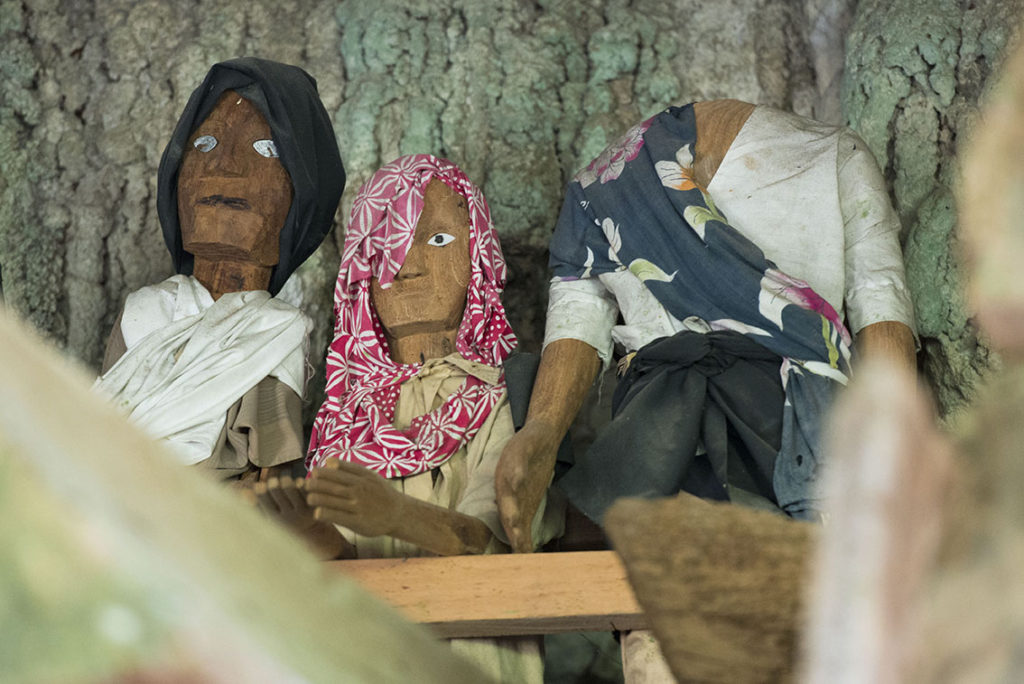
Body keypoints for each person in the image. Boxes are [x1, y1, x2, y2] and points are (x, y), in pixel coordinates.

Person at [494, 100, 916, 681]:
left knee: (821, 635)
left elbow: (881, 302)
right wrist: (540, 431)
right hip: (663, 447)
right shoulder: (605, 186)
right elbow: (574, 321)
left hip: (804, 437)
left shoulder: (832, 154)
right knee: (663, 642)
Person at [260, 154, 559, 683]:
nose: (408, 266)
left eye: (438, 240)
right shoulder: (342, 414)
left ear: (479, 260)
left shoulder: (505, 396)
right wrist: (309, 533)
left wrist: (397, 516)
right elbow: (346, 572)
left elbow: (495, 540)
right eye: (385, 248)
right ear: (361, 276)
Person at [94, 58, 345, 481]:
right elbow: (96, 443)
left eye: (266, 150)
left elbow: (274, 484)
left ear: (303, 198)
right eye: (204, 145)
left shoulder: (274, 333)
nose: (225, 169)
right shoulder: (145, 313)